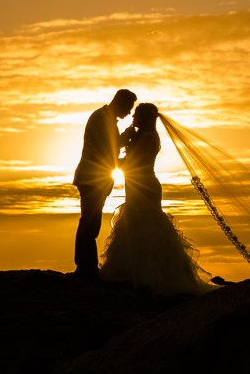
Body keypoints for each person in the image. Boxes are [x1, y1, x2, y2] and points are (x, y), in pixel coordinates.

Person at [100, 103, 215, 295]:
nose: (132, 118)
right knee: (133, 225)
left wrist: (107, 160)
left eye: (136, 115)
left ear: (144, 118)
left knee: (147, 226)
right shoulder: (140, 136)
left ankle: (151, 276)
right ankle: (131, 273)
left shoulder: (149, 138)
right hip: (135, 186)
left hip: (145, 186)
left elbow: (132, 164)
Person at [72, 89, 137, 279]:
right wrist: (126, 136)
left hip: (97, 179)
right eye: (128, 107)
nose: (129, 113)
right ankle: (85, 266)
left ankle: (87, 265)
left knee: (91, 222)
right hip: (91, 178)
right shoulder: (101, 118)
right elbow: (108, 146)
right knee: (89, 222)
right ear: (120, 103)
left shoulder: (105, 118)